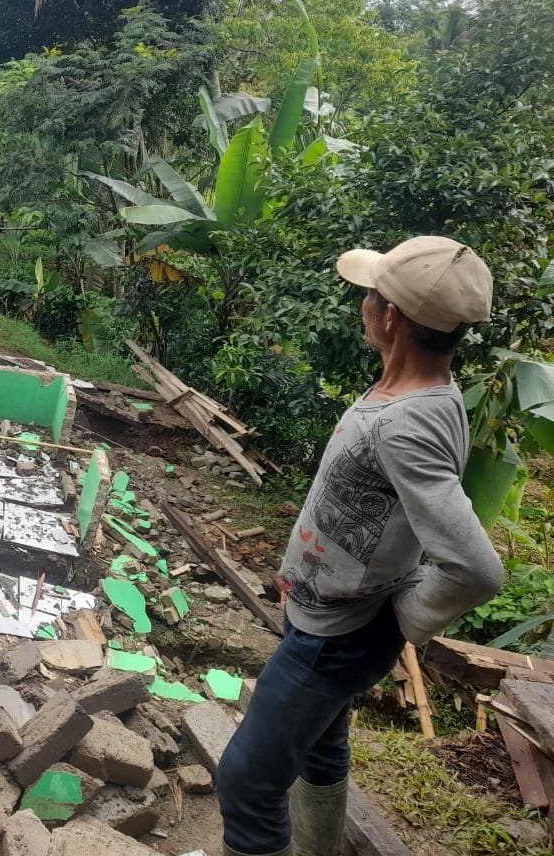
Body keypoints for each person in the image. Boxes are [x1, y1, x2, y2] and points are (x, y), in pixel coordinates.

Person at [215, 236, 506, 856]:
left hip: (337, 639)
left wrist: (407, 612)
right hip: (333, 621)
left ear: (392, 317)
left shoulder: (406, 425)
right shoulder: (424, 396)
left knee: (245, 782)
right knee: (322, 742)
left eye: (370, 294)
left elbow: (478, 569)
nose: (365, 303)